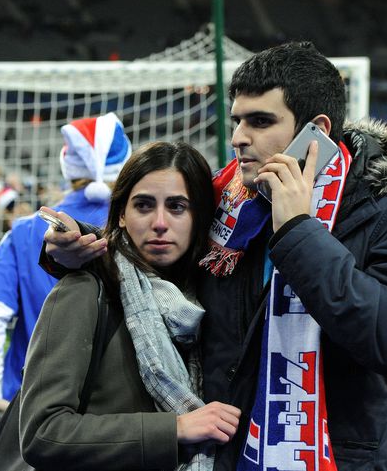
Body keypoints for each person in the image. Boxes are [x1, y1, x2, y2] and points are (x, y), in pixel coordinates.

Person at [43, 41, 387, 471]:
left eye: (260, 121)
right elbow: (151, 256)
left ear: (318, 132)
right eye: (237, 120)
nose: (238, 138)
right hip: (229, 456)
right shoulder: (232, 201)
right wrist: (73, 250)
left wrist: (298, 231)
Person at [19, 141, 241, 471]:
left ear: (200, 218)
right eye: (144, 206)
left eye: (177, 207)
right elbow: (43, 434)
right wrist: (176, 428)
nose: (160, 222)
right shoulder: (86, 289)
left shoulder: (205, 302)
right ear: (122, 214)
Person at [0, 113, 132, 411]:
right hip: (114, 412)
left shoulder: (24, 230)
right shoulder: (141, 228)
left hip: (28, 403)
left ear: (67, 166)